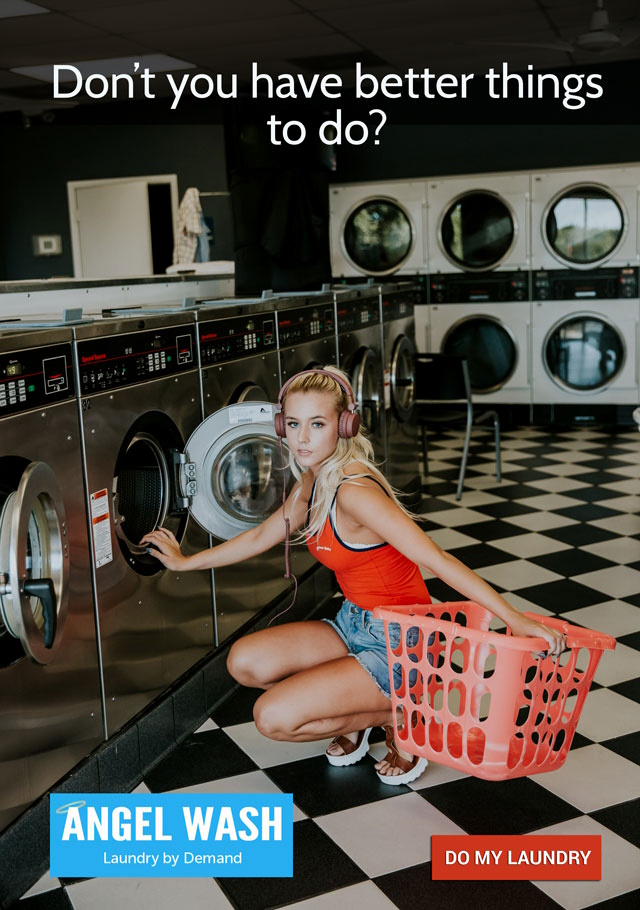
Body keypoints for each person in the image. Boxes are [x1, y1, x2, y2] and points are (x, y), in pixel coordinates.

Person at [141, 367, 565, 786]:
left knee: (272, 718)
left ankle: (403, 715)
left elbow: (437, 560)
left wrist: (516, 620)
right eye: (293, 423)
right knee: (244, 663)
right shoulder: (312, 477)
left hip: (402, 641)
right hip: (353, 621)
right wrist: (184, 560)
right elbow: (262, 535)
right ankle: (359, 710)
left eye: (317, 423)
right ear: (279, 424)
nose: (302, 438)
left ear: (344, 426)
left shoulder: (355, 491)